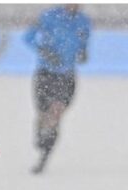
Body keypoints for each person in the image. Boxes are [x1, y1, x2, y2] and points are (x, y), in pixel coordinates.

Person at [23, 4, 92, 174]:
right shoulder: (49, 16)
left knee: (56, 112)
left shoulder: (84, 21)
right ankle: (40, 132)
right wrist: (45, 52)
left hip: (66, 75)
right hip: (45, 73)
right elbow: (28, 37)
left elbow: (83, 43)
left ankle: (45, 155)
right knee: (43, 113)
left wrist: (83, 52)